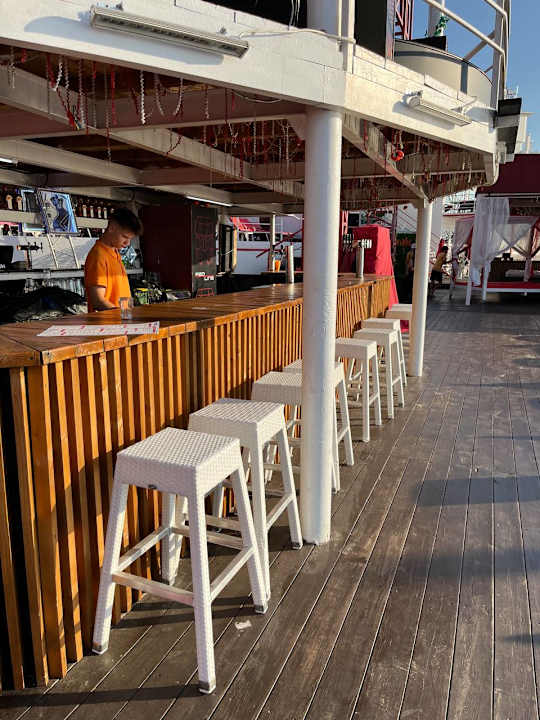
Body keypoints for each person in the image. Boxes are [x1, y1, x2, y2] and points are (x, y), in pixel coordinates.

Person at [84, 207, 142, 312]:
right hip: (110, 321)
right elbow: (98, 300)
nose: (127, 243)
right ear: (112, 228)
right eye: (125, 237)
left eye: (130, 239)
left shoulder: (114, 252)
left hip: (122, 318)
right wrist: (121, 314)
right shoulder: (98, 255)